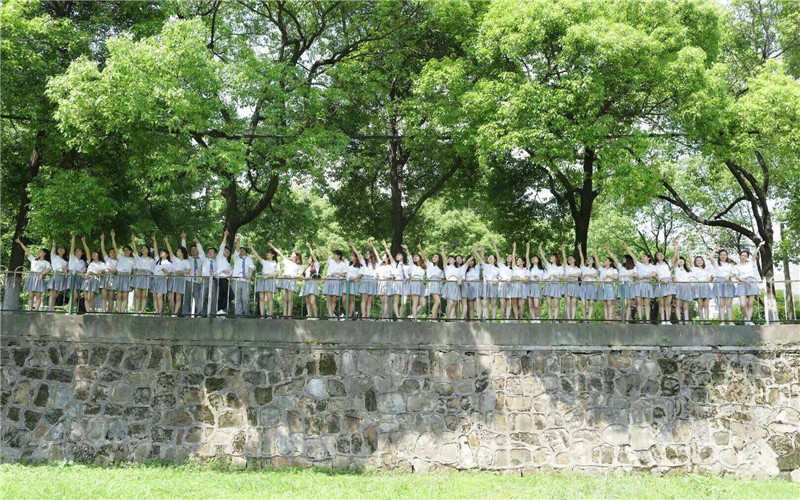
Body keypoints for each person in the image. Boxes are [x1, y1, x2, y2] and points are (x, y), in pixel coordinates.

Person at [16, 238, 51, 311]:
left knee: (38, 295)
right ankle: (29, 310)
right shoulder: (34, 259)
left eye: (41, 251)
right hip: (32, 276)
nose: (39, 252)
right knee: (30, 295)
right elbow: (27, 251)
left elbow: (48, 269)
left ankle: (35, 311)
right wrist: (20, 242)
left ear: (44, 253)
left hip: (40, 277)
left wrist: (43, 274)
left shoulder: (46, 262)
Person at [605, 245, 637, 322]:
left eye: (624, 258)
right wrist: (608, 250)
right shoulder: (620, 266)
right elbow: (613, 258)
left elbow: (635, 274)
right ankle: (622, 318)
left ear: (628, 259)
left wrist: (626, 275)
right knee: (624, 303)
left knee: (628, 304)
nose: (622, 260)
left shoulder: (633, 267)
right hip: (622, 286)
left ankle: (626, 319)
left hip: (629, 285)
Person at [734, 243, 764, 325]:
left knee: (750, 303)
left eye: (745, 256)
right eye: (742, 255)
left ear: (747, 257)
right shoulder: (736, 266)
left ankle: (749, 321)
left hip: (752, 282)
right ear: (740, 256)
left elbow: (754, 255)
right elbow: (736, 277)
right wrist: (745, 281)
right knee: (743, 304)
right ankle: (746, 317)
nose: (743, 257)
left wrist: (759, 246)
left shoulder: (750, 263)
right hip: (742, 283)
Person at [271, 242, 302, 319]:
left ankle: (289, 315)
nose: (291, 255)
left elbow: (300, 276)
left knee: (290, 299)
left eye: (293, 254)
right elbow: (279, 252)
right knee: (284, 299)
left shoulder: (298, 265)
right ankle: (284, 315)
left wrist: (291, 276)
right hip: (283, 281)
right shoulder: (287, 261)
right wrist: (271, 245)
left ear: (297, 256)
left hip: (291, 282)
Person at [181, 232, 207, 317]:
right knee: (186, 298)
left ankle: (200, 313)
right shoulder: (188, 259)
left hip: (197, 281)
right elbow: (183, 250)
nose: (193, 250)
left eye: (195, 249)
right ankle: (186, 314)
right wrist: (183, 239)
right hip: (188, 280)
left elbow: (202, 253)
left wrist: (197, 243)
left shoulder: (202, 259)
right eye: (192, 250)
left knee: (197, 298)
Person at [250, 242, 279, 318]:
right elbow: (257, 255)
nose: (267, 254)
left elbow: (277, 274)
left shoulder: (275, 263)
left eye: (269, 253)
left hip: (270, 280)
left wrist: (269, 276)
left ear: (273, 255)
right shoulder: (264, 262)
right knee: (261, 298)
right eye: (267, 253)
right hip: (262, 279)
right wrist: (251, 247)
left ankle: (270, 315)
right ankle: (262, 315)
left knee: (269, 298)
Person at [164, 236, 190, 316]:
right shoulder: (175, 259)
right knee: (170, 298)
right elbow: (170, 251)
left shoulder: (186, 261)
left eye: (179, 251)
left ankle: (175, 313)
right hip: (172, 278)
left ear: (183, 252)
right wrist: (167, 241)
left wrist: (179, 271)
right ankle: (173, 312)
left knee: (178, 298)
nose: (177, 252)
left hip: (180, 278)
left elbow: (188, 271)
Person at [710, 249, 736, 325]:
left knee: (729, 304)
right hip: (719, 282)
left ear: (727, 255)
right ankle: (722, 322)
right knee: (721, 304)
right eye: (721, 255)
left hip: (728, 282)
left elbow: (734, 273)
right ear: (719, 256)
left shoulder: (730, 264)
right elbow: (710, 257)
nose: (723, 256)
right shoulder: (716, 263)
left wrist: (728, 276)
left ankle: (731, 322)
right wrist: (715, 248)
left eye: (724, 254)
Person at [230, 235, 255, 317]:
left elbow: (251, 267)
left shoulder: (249, 259)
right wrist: (238, 241)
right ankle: (238, 314)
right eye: (240, 250)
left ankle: (246, 313)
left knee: (245, 298)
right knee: (237, 298)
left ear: (246, 252)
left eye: (243, 250)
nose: (241, 251)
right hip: (236, 280)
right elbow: (237, 249)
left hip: (245, 280)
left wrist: (249, 275)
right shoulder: (236, 258)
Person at [110, 230, 134, 313]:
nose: (125, 251)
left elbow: (134, 271)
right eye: (124, 250)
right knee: (119, 295)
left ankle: (123, 311)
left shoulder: (133, 259)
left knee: (125, 295)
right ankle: (118, 310)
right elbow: (115, 248)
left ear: (131, 251)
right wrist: (113, 237)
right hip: (120, 275)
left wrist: (133, 280)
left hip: (127, 276)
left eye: (127, 250)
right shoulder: (120, 257)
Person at [131, 233, 155, 314]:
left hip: (146, 277)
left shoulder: (151, 260)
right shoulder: (138, 258)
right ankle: (137, 311)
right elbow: (134, 251)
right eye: (142, 248)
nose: (142, 249)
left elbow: (153, 271)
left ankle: (143, 311)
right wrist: (133, 240)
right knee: (138, 295)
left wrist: (149, 276)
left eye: (144, 248)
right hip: (138, 277)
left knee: (144, 295)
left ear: (148, 250)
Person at [81, 237, 106, 313]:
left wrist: (92, 272)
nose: (93, 254)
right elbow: (87, 251)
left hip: (94, 280)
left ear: (98, 255)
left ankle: (93, 310)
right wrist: (84, 242)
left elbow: (101, 274)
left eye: (95, 253)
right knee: (86, 297)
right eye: (93, 253)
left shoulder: (102, 264)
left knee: (89, 297)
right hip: (87, 279)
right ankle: (88, 312)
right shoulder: (90, 262)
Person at [402, 244, 426, 321]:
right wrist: (407, 249)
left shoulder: (422, 267)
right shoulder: (412, 265)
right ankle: (414, 318)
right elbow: (409, 257)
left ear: (420, 258)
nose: (415, 257)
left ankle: (412, 315)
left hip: (421, 284)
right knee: (415, 302)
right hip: (415, 282)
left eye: (417, 256)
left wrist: (420, 248)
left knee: (423, 303)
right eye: (414, 257)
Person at [355, 243, 378, 320]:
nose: (366, 255)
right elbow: (358, 254)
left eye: (368, 253)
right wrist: (352, 246)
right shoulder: (364, 262)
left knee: (369, 300)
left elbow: (377, 255)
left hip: (372, 280)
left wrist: (373, 247)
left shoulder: (376, 263)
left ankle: (368, 315)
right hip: (365, 279)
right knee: (364, 299)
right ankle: (363, 315)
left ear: (371, 254)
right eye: (366, 253)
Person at [540, 244, 564, 321]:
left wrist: (554, 275)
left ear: (556, 258)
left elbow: (561, 277)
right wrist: (540, 249)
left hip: (556, 285)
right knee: (549, 304)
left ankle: (556, 319)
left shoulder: (560, 267)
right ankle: (550, 319)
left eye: (552, 256)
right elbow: (543, 258)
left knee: (556, 304)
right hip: (548, 285)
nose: (550, 258)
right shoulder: (549, 266)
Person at [671, 243, 693, 324]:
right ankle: (679, 321)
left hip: (687, 286)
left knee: (686, 306)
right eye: (679, 260)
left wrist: (689, 251)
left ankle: (686, 321)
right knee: (678, 305)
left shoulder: (688, 271)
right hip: (678, 286)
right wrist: (676, 248)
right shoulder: (676, 268)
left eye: (682, 259)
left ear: (684, 261)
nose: (680, 260)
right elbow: (676, 257)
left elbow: (691, 261)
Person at [689, 252, 713, 324]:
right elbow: (690, 259)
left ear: (703, 261)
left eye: (701, 260)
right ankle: (702, 320)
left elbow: (709, 280)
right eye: (697, 260)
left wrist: (712, 278)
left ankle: (707, 320)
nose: (699, 262)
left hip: (706, 287)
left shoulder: (707, 270)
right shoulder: (694, 269)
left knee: (706, 304)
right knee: (700, 304)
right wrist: (689, 251)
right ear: (695, 262)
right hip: (698, 287)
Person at [47, 233, 69, 311]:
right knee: (52, 293)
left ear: (65, 251)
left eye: (62, 248)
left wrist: (65, 268)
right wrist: (54, 237)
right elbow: (53, 246)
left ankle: (51, 308)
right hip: (55, 275)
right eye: (59, 248)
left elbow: (68, 269)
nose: (60, 249)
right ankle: (50, 309)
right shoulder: (54, 256)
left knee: (56, 294)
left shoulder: (66, 261)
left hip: (62, 276)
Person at [477, 246, 499, 321]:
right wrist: (481, 251)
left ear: (495, 260)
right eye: (489, 257)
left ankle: (493, 320)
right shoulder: (485, 265)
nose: (490, 258)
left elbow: (500, 278)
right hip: (486, 286)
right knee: (485, 303)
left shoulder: (497, 269)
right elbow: (480, 259)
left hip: (493, 286)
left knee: (493, 304)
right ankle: (485, 319)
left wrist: (496, 280)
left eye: (491, 257)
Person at [373, 242, 394, 320]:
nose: (383, 257)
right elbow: (376, 255)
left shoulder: (390, 266)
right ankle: (387, 316)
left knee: (385, 301)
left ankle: (384, 317)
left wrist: (387, 277)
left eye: (384, 256)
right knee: (383, 302)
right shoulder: (380, 265)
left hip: (387, 284)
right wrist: (373, 247)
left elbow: (392, 276)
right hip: (380, 284)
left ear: (387, 258)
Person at [654, 250, 677, 325]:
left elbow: (675, 256)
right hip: (660, 283)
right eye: (658, 255)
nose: (661, 255)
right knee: (661, 304)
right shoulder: (655, 266)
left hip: (668, 282)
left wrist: (675, 247)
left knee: (668, 303)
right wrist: (661, 279)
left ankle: (668, 320)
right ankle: (663, 320)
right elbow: (654, 275)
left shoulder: (667, 263)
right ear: (656, 257)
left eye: (662, 254)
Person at [596, 249, 618, 323]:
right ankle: (606, 318)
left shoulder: (614, 270)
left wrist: (608, 275)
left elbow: (616, 277)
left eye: (606, 260)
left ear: (610, 262)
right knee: (604, 303)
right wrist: (595, 252)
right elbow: (597, 262)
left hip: (609, 286)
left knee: (609, 303)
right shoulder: (602, 269)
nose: (604, 261)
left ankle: (610, 318)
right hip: (602, 286)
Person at [441, 245, 463, 321]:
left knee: (454, 303)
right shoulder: (446, 267)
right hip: (449, 284)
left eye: (451, 259)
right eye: (449, 259)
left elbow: (460, 277)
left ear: (454, 260)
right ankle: (447, 318)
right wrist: (443, 251)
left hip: (456, 285)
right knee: (450, 302)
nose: (449, 259)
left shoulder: (458, 269)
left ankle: (450, 318)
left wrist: (460, 280)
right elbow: (444, 259)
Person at [151, 237, 171, 315]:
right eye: (161, 252)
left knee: (159, 296)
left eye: (163, 252)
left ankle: (160, 312)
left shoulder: (169, 263)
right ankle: (156, 311)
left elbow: (170, 274)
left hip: (162, 279)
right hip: (155, 278)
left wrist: (165, 271)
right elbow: (155, 251)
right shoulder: (157, 260)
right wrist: (155, 241)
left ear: (167, 254)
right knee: (154, 296)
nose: (161, 253)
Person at [578, 243, 598, 322]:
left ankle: (589, 319)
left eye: (590, 258)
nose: (588, 259)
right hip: (584, 285)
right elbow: (582, 258)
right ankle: (584, 318)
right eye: (588, 258)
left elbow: (595, 275)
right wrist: (580, 249)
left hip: (592, 285)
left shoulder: (594, 270)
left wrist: (586, 274)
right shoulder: (583, 267)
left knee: (591, 303)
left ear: (593, 261)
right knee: (583, 303)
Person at [300, 243, 321, 319]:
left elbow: (313, 254)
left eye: (310, 258)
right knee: (307, 302)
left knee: (312, 301)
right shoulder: (307, 267)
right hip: (306, 284)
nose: (309, 259)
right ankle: (309, 315)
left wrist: (309, 247)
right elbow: (303, 275)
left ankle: (315, 316)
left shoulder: (316, 265)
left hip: (312, 283)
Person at [67, 232, 87, 311]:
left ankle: (70, 310)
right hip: (72, 275)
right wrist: (73, 237)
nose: (76, 251)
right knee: (74, 295)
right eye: (76, 250)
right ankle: (68, 310)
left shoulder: (82, 262)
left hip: (79, 277)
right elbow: (72, 247)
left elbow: (83, 272)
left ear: (82, 253)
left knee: (76, 295)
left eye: (79, 250)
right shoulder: (72, 257)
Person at [494, 243, 514, 322]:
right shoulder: (502, 265)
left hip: (510, 285)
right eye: (508, 257)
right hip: (502, 285)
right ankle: (502, 319)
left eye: (511, 257)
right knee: (502, 304)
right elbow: (498, 256)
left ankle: (507, 319)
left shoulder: (514, 268)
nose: (509, 258)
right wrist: (495, 247)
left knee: (509, 303)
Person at [509, 244, 529, 322]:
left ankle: (521, 318)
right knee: (514, 303)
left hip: (523, 287)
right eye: (518, 260)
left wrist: (517, 278)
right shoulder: (515, 268)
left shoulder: (526, 269)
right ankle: (517, 318)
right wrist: (514, 248)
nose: (518, 261)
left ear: (523, 262)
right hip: (514, 287)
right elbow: (513, 258)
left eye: (520, 260)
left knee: (522, 303)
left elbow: (527, 279)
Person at [99, 234, 117, 313]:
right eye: (110, 252)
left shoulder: (118, 261)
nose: (112, 253)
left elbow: (117, 271)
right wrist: (102, 239)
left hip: (113, 278)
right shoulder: (107, 259)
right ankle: (103, 311)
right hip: (105, 277)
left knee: (111, 297)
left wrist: (111, 270)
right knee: (104, 296)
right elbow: (102, 249)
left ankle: (109, 312)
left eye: (113, 252)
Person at [563, 245, 581, 322]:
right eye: (568, 259)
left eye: (571, 258)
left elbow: (578, 275)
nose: (569, 259)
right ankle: (569, 318)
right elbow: (564, 258)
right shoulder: (566, 267)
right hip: (568, 285)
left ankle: (573, 318)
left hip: (575, 285)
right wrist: (563, 249)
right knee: (568, 303)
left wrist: (569, 275)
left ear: (574, 260)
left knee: (574, 303)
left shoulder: (578, 268)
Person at [527, 249, 545, 323]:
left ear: (538, 260)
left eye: (535, 258)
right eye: (532, 258)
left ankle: (537, 318)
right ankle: (533, 319)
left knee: (537, 305)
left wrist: (538, 279)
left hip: (537, 285)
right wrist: (528, 248)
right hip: (530, 285)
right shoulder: (529, 267)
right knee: (530, 305)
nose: (533, 258)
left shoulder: (542, 269)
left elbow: (544, 280)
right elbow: (527, 257)